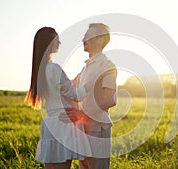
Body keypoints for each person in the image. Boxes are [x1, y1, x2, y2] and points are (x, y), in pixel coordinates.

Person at [25, 27, 91, 169]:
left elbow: (61, 89)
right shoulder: (54, 68)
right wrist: (89, 85)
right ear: (49, 43)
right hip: (64, 122)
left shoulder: (40, 70)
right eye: (57, 40)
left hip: (50, 123)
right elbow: (75, 95)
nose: (59, 43)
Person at [61, 23, 117, 169]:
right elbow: (68, 87)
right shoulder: (85, 68)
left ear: (100, 40)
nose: (83, 40)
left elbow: (110, 99)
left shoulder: (107, 65)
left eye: (87, 36)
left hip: (98, 128)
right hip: (83, 128)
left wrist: (81, 114)